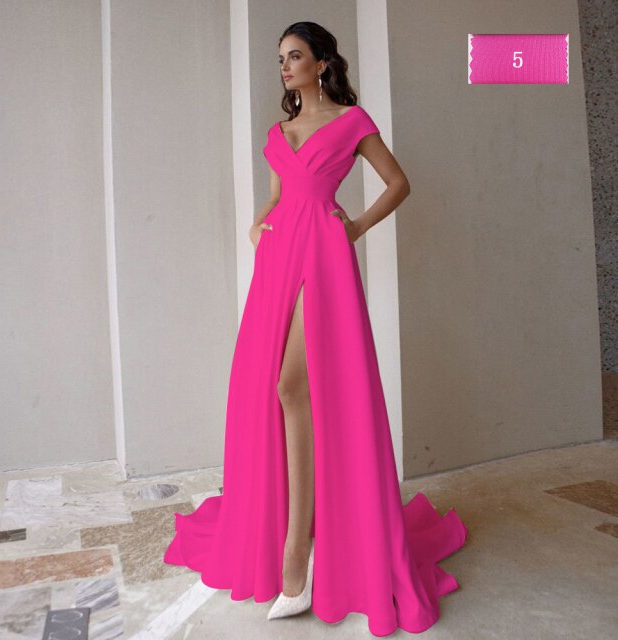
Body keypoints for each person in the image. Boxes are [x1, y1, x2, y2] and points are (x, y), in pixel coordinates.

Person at [164, 21, 469, 637]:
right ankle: (300, 533)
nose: (284, 66)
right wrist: (256, 225)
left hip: (325, 257)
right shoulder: (277, 133)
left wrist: (354, 227)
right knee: (273, 391)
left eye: (295, 56)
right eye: (280, 58)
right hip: (279, 260)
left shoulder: (352, 122)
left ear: (323, 63)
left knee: (290, 386)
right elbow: (279, 198)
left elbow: (399, 183)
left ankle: (296, 554)